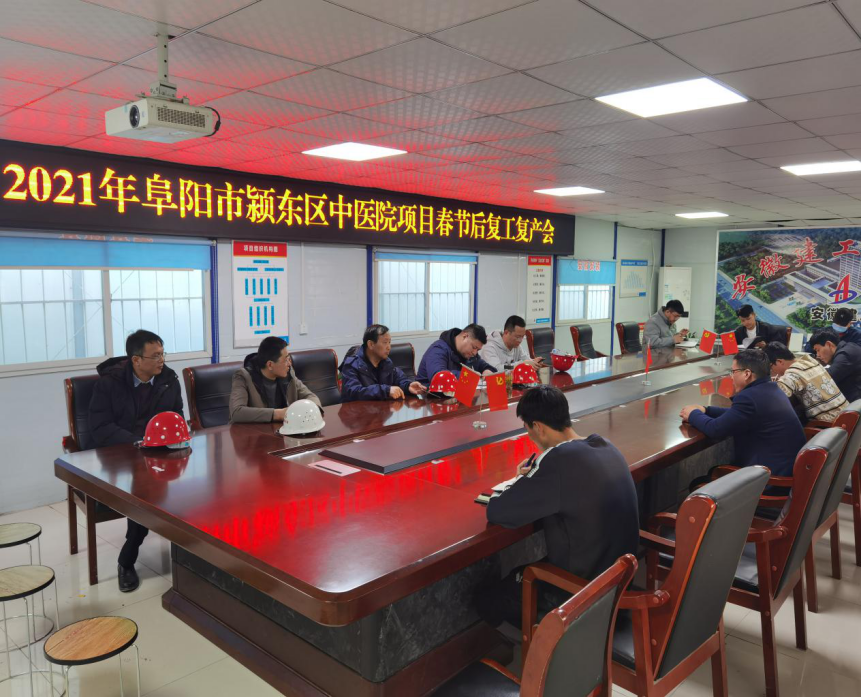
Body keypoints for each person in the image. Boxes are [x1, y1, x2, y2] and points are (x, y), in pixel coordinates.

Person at [478, 385, 639, 628]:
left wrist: (523, 479)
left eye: (528, 430)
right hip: (617, 583)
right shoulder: (605, 445)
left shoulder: (559, 460)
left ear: (538, 427)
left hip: (581, 596)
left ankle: (540, 646)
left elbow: (498, 511)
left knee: (487, 598)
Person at [88, 329, 184, 593]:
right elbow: (100, 427)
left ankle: (191, 558)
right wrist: (139, 442)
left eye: (163, 354)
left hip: (159, 454)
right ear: (136, 360)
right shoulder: (109, 384)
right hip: (120, 455)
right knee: (145, 493)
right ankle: (126, 560)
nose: (161, 360)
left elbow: (176, 416)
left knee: (194, 487)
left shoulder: (168, 380)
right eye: (155, 356)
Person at [680, 349, 806, 478]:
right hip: (785, 470)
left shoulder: (749, 397)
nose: (731, 376)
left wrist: (693, 414)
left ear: (747, 374)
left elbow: (715, 429)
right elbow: (736, 414)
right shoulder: (771, 388)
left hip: (769, 479)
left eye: (733, 372)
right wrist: (706, 410)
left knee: (701, 481)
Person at [229, 336, 321, 423]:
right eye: (285, 360)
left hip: (285, 430)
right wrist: (277, 414)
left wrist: (311, 409)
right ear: (270, 365)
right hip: (254, 432)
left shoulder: (288, 373)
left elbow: (311, 397)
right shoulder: (243, 377)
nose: (289, 364)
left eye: (289, 358)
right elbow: (236, 412)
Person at [763, 341, 847, 424]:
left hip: (831, 424)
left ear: (779, 362)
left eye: (770, 367)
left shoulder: (792, 374)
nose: (772, 371)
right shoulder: (809, 361)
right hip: (845, 415)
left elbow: (773, 399)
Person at [339, 324, 426, 402]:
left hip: (379, 411)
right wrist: (386, 391)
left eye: (389, 342)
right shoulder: (352, 365)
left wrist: (408, 386)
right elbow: (354, 392)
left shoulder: (386, 363)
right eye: (385, 342)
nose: (389, 347)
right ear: (371, 344)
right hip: (356, 413)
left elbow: (399, 379)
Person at [416, 324, 496, 384]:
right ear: (465, 336)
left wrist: (488, 371)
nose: (475, 353)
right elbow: (439, 377)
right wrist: (469, 376)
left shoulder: (469, 354)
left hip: (455, 396)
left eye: (478, 350)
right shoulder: (438, 350)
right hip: (428, 398)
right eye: (474, 347)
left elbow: (487, 367)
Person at [809, 329, 861, 402]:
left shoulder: (846, 354)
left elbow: (826, 379)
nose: (818, 355)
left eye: (818, 350)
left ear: (829, 344)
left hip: (856, 403)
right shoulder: (847, 347)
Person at [479, 315, 545, 371]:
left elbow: (526, 360)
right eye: (517, 337)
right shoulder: (489, 347)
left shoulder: (516, 346)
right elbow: (497, 369)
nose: (520, 340)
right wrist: (520, 365)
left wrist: (534, 362)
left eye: (522, 337)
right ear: (506, 332)